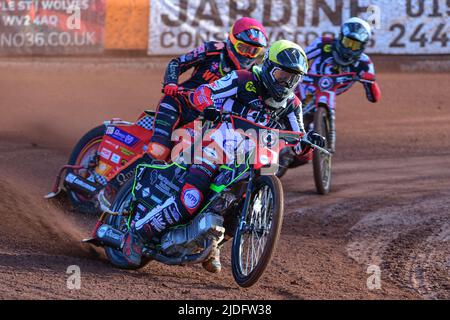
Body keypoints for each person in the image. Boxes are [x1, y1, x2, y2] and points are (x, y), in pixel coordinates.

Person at [121, 40, 326, 273]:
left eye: (293, 78)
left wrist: (311, 142)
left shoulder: (293, 104)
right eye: (282, 75)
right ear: (269, 66)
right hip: (215, 146)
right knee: (191, 199)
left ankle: (211, 242)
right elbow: (203, 92)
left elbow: (299, 143)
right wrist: (208, 106)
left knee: (239, 211)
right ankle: (136, 233)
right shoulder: (242, 79)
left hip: (252, 158)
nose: (286, 83)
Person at [146, 17, 268, 161]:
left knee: (197, 160)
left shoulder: (254, 74)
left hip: (210, 120)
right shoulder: (211, 50)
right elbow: (177, 63)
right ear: (232, 41)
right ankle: (123, 180)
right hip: (180, 103)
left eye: (254, 51)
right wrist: (171, 83)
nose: (247, 55)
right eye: (243, 48)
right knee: (159, 150)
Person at [297, 17, 381, 152]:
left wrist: (371, 81)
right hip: (304, 86)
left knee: (308, 141)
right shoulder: (323, 44)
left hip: (327, 95)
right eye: (347, 42)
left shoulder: (365, 64)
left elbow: (374, 98)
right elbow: (300, 57)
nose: (349, 48)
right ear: (340, 37)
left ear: (363, 46)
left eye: (354, 45)